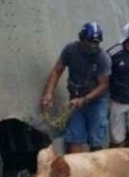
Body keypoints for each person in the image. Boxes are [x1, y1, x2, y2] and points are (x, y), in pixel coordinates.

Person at [40, 22, 111, 153]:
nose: (92, 46)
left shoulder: (102, 58)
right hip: (75, 99)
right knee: (74, 137)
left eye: (95, 43)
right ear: (81, 38)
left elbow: (104, 85)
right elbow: (57, 71)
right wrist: (49, 94)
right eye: (89, 42)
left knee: (96, 140)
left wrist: (84, 100)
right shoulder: (70, 50)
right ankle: (78, 170)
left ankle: (95, 170)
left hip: (96, 102)